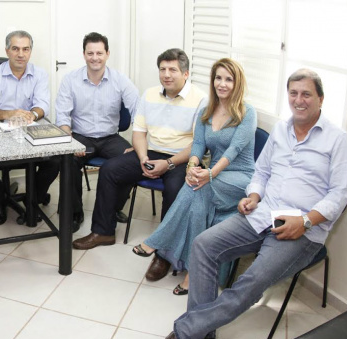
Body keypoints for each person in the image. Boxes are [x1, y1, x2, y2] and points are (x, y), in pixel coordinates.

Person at [148, 69, 347, 339]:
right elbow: (262, 172)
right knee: (204, 245)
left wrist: (306, 221)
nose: (299, 100)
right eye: (293, 93)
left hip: (302, 231)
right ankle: (204, 338)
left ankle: (185, 333)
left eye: (306, 94)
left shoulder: (338, 140)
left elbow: (340, 194)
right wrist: (253, 196)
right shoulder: (282, 130)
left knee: (250, 283)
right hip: (263, 213)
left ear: (320, 98)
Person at [135, 58, 256, 295]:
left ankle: (156, 241)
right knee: (195, 191)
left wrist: (209, 173)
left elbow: (234, 152)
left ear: (237, 83)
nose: (222, 84)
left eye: (228, 79)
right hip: (214, 175)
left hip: (240, 176)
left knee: (198, 187)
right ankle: (193, 274)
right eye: (218, 78)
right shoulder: (206, 111)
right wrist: (192, 166)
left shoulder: (246, 112)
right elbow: (199, 145)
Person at [73, 48, 206, 256]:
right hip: (150, 152)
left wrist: (169, 163)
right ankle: (103, 232)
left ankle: (164, 248)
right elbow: (139, 132)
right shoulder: (150, 94)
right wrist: (143, 157)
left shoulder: (201, 99)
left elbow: (199, 143)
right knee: (109, 170)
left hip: (182, 158)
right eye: (163, 69)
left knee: (175, 187)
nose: (167, 75)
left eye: (173, 70)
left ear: (186, 74)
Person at [55, 32, 140, 233]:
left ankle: (112, 208)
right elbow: (63, 118)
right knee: (67, 160)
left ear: (107, 54)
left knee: (134, 159)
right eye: (90, 53)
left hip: (110, 137)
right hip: (81, 136)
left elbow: (139, 113)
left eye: (99, 53)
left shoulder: (121, 80)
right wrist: (70, 142)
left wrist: (138, 144)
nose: (95, 58)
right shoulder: (70, 80)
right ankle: (75, 212)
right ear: (84, 54)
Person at [0, 30, 59, 225]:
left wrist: (33, 114)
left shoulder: (39, 74)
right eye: (15, 49)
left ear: (30, 51)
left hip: (27, 131)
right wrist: (7, 113)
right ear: (7, 51)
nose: (21, 54)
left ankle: (33, 201)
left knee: (54, 160)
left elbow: (43, 105)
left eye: (25, 49)